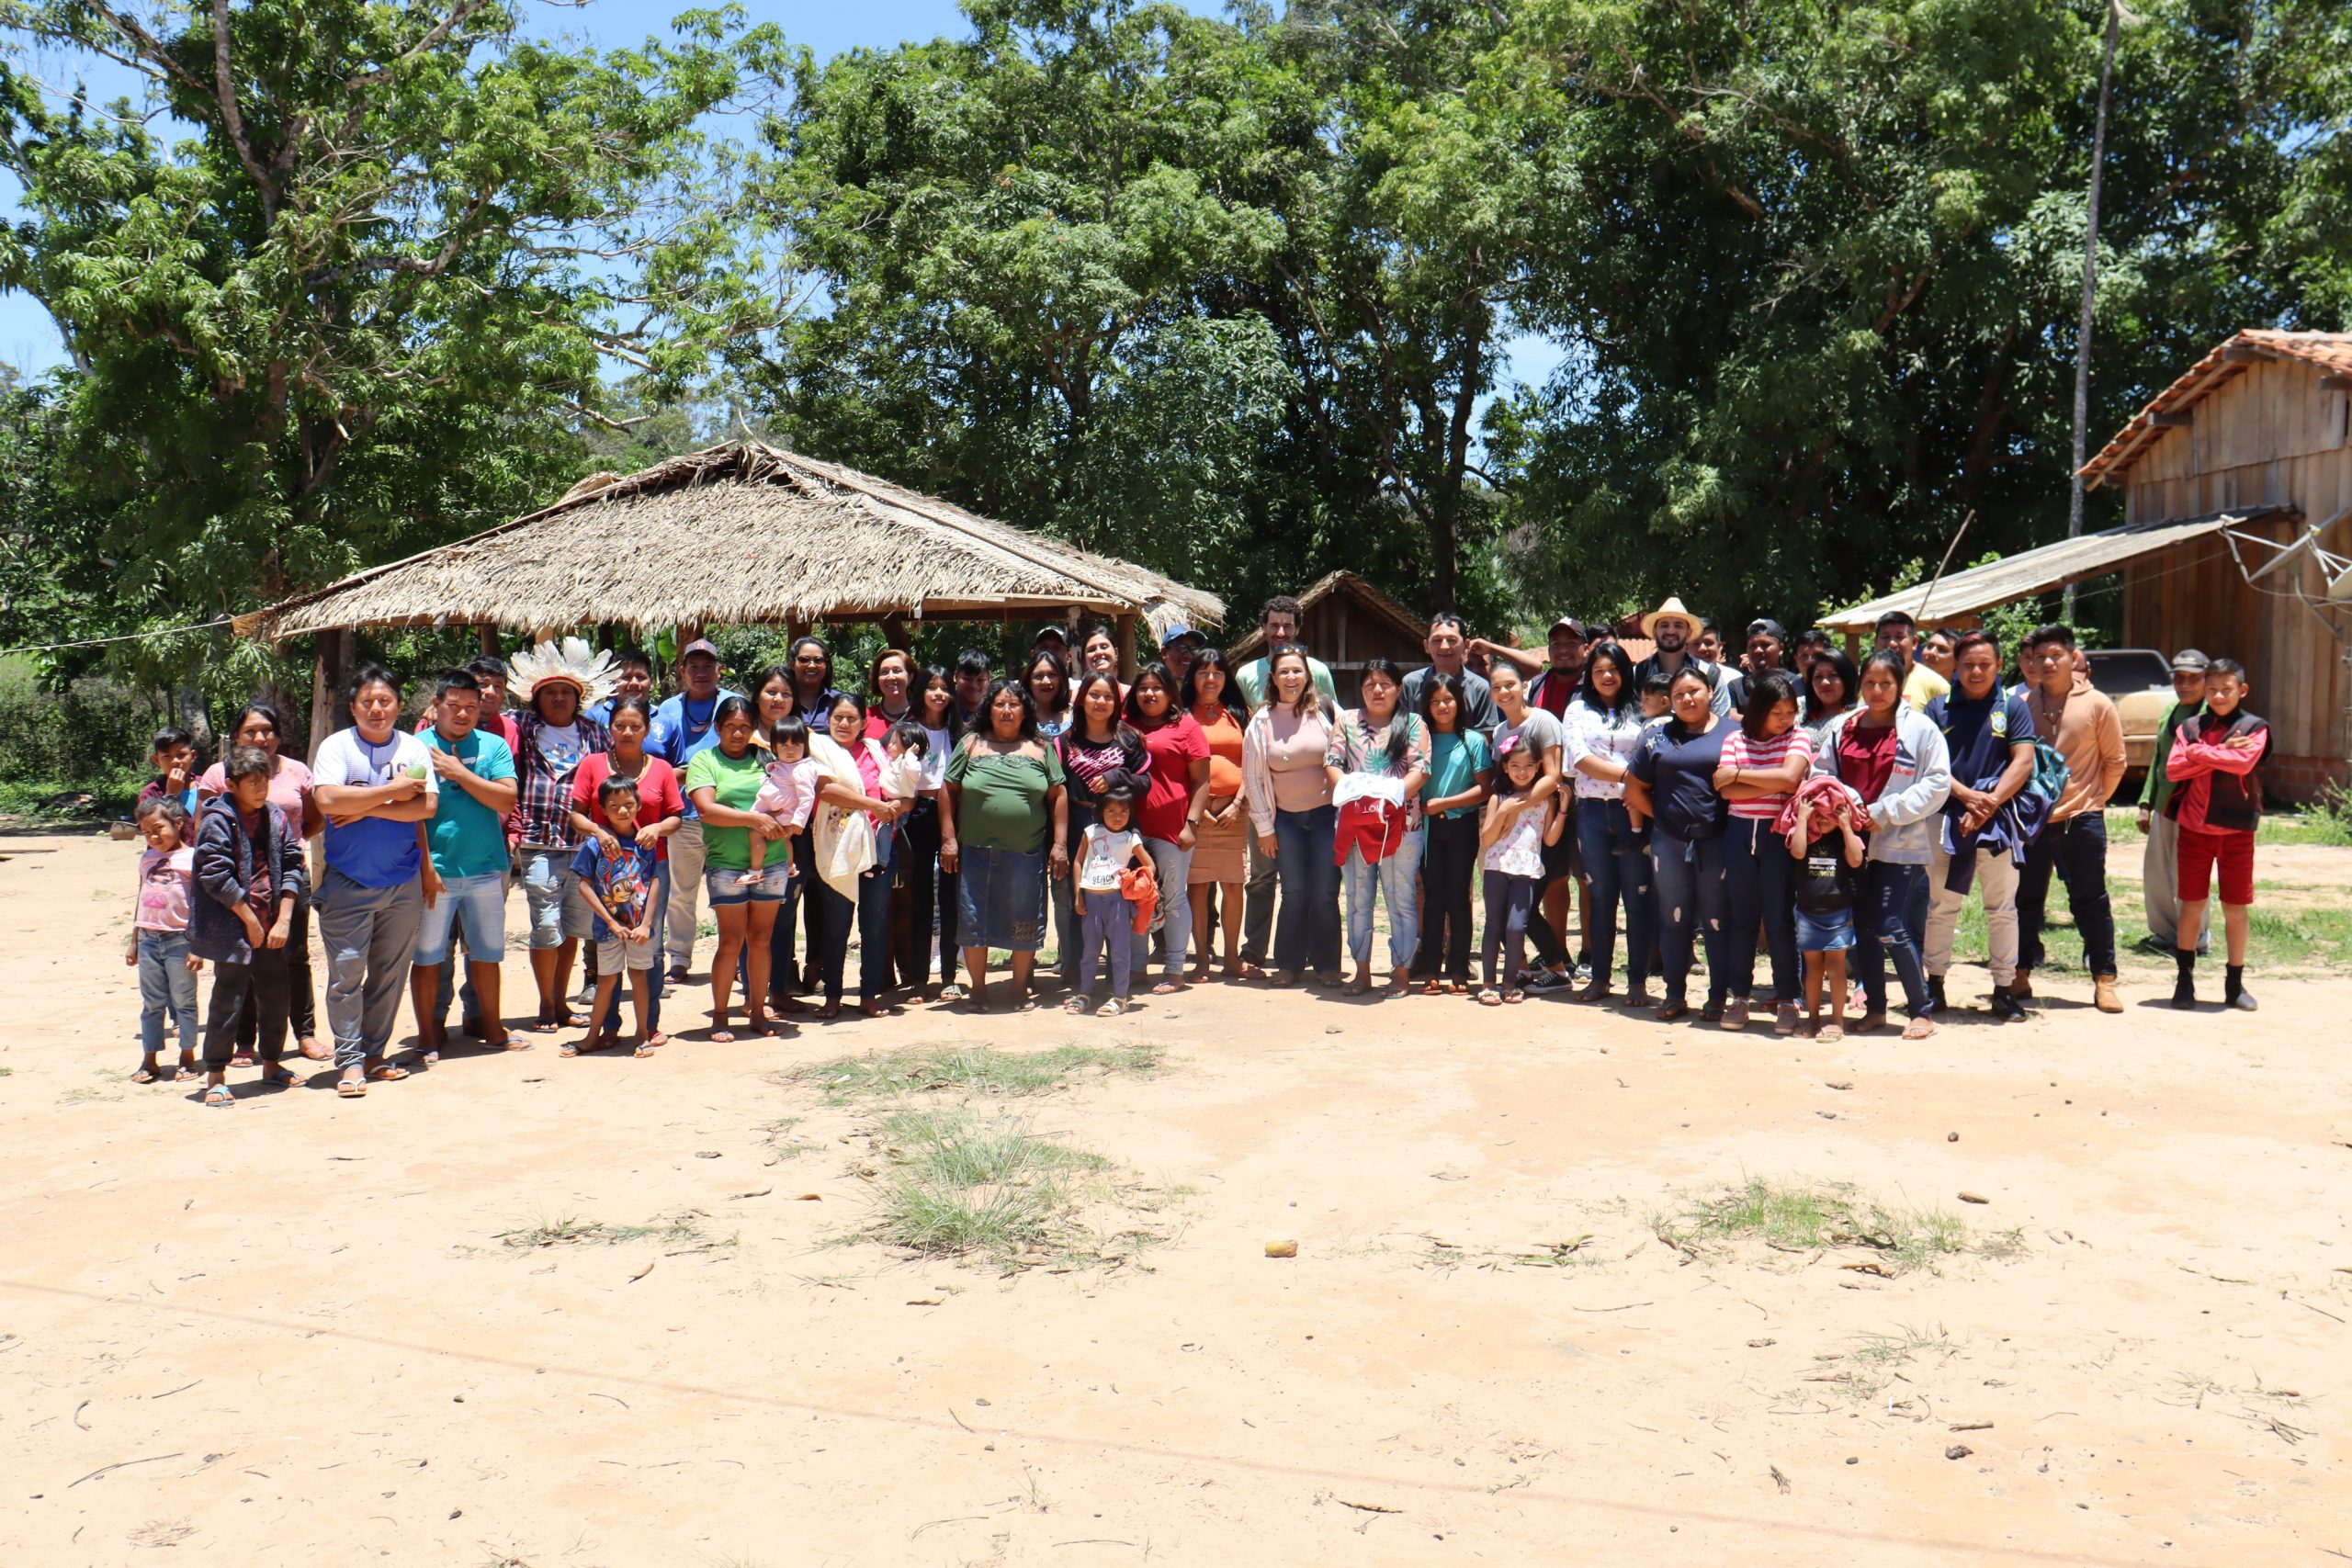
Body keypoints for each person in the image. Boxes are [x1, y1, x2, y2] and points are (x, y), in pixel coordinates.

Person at [1808, 652, 1951, 1039]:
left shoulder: (1921, 729)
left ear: (1900, 686)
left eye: (1886, 683)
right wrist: (1843, 810)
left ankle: (1921, 1010)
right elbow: (1822, 774)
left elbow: (1937, 784)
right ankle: (1875, 1010)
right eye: (1869, 683)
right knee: (1864, 928)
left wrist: (1886, 812)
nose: (1877, 691)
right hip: (1850, 842)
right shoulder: (1842, 727)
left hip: (1897, 840)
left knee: (1890, 925)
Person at [310, 666, 436, 1096]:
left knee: (389, 974)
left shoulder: (415, 748)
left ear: (399, 706)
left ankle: (376, 1054)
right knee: (346, 976)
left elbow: (426, 807)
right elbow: (326, 798)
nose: (376, 708)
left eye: (384, 701)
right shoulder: (337, 746)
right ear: (353, 707)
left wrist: (364, 806)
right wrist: (394, 791)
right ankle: (349, 1062)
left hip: (402, 883)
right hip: (347, 881)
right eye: (367, 701)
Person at [195, 701, 326, 1062]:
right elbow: (204, 831)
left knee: (293, 958)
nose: (260, 737)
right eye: (251, 731)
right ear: (236, 737)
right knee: (239, 965)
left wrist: (288, 853)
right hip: (236, 892)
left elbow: (313, 822)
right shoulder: (217, 776)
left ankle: (304, 1034)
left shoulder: (297, 771)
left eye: (267, 730)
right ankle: (243, 1043)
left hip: (286, 884)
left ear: (279, 735)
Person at [2012, 624, 2128, 1013]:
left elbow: (2115, 762)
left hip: (2083, 819)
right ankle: (2020, 973)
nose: (2046, 662)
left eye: (2055, 655)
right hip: (2033, 822)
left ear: (2072, 657)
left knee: (2090, 900)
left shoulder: (2098, 704)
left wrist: (2092, 802)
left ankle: (2105, 979)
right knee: (2026, 900)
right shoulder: (2023, 704)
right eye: (2039, 656)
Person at [1922, 633, 2036, 1020]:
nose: (1975, 671)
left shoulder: (2013, 707)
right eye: (1968, 664)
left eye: (1984, 664)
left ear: (1999, 665)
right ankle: (1933, 986)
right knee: (1941, 906)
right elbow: (1929, 764)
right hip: (1943, 821)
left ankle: (2004, 989)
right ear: (1956, 666)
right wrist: (1968, 797)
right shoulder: (1938, 709)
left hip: (1997, 824)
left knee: (2003, 908)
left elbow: (2023, 761)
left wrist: (1987, 805)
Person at [411, 670, 519, 1062]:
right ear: (436, 705)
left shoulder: (494, 746)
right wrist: (425, 867)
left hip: (487, 867)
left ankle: (492, 1027)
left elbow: (506, 800)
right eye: (453, 706)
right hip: (434, 871)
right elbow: (410, 813)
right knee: (427, 958)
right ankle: (427, 1036)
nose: (462, 714)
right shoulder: (415, 747)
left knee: (488, 954)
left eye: (470, 708)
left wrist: (459, 773)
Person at [189, 747, 307, 1105]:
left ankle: (272, 1065)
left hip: (272, 923)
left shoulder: (275, 817)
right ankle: (216, 1075)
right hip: (233, 925)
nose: (260, 789)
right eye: (251, 783)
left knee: (276, 994)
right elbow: (215, 874)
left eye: (265, 781)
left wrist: (283, 918)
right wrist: (250, 921)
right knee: (229, 997)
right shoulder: (217, 818)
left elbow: (292, 863)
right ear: (231, 785)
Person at [943, 678, 1069, 1010]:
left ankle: (1017, 989)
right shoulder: (971, 744)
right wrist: (948, 839)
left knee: (1024, 920)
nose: (1007, 710)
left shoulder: (1041, 747)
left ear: (1025, 710)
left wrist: (1059, 845)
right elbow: (948, 790)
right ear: (989, 708)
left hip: (1025, 855)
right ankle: (978, 990)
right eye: (1000, 703)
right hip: (974, 852)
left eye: (1014, 704)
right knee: (974, 920)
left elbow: (1058, 795)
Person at [507, 639, 613, 1032]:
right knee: (546, 926)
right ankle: (546, 1003)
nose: (558, 698)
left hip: (582, 844)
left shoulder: (596, 734)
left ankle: (561, 1002)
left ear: (577, 697)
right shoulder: (522, 727)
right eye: (550, 692)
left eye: (565, 692)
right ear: (537, 698)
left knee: (573, 927)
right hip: (539, 842)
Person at [569, 695, 683, 1043]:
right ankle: (609, 1027)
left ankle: (649, 1026)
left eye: (636, 726)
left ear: (647, 729)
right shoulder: (592, 763)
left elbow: (677, 816)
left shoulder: (661, 768)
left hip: (650, 868)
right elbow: (576, 814)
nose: (628, 732)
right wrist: (599, 833)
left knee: (650, 944)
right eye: (621, 725)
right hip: (605, 871)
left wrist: (657, 828)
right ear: (610, 727)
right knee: (610, 944)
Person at [1234, 595, 1338, 971]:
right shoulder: (1257, 713)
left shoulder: (1324, 705)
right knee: (1282, 887)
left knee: (1323, 892)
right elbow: (1255, 772)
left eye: (1297, 672)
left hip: (1325, 814)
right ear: (1272, 679)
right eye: (1283, 673)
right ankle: (1273, 958)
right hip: (1283, 817)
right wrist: (1264, 824)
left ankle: (1324, 963)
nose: (1291, 678)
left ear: (1307, 675)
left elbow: (1345, 744)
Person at [1627, 667, 1734, 1021]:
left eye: (1694, 691)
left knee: (1718, 920)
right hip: (1669, 842)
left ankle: (1718, 996)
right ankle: (1674, 994)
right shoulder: (1658, 737)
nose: (1687, 699)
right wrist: (1662, 818)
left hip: (1718, 841)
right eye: (1679, 695)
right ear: (1669, 702)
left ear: (1709, 691)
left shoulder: (1733, 734)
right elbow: (1634, 787)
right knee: (1674, 918)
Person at [2165, 659, 2267, 1011]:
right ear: (2204, 690)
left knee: (2235, 908)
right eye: (2212, 689)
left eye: (2226, 689)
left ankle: (2234, 985)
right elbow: (2174, 768)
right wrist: (2221, 751)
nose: (2219, 696)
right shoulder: (2191, 725)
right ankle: (2184, 981)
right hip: (2194, 829)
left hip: (2237, 831)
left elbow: (2243, 764)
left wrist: (2200, 754)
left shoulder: (2254, 726)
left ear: (2242, 690)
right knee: (2191, 905)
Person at [1325, 655, 1430, 996]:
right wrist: (1354, 794)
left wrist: (1391, 798)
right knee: (1358, 899)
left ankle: (1400, 971)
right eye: (1370, 684)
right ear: (1361, 690)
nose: (1377, 690)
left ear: (1398, 688)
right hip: (1355, 825)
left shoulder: (1413, 724)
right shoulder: (1345, 722)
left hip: (1402, 826)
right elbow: (1332, 763)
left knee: (1401, 899)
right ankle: (1362, 971)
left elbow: (1421, 769)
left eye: (1385, 683)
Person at [684, 696, 787, 1041]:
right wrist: (754, 818)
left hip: (771, 862)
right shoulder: (704, 760)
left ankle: (758, 1012)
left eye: (745, 727)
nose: (739, 733)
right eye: (731, 727)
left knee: (761, 940)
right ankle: (720, 1016)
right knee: (730, 942)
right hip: (726, 866)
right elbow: (707, 810)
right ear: (718, 729)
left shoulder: (766, 759)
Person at [1714, 671, 1812, 1033]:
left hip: (1777, 836)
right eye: (1778, 712)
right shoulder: (1735, 738)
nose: (1786, 719)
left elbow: (1790, 780)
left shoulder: (1798, 737)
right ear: (1759, 711)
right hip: (1739, 835)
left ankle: (1788, 999)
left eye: (1790, 711)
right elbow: (1727, 794)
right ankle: (1739, 997)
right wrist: (1767, 781)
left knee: (1779, 920)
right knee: (1741, 919)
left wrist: (1742, 773)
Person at [805, 692, 910, 1019]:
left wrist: (897, 807)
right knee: (836, 925)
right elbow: (825, 790)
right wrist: (875, 806)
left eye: (852, 718)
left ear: (863, 722)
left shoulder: (878, 751)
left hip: (878, 849)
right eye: (838, 717)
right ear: (828, 721)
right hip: (836, 848)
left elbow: (904, 789)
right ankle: (833, 997)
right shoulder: (819, 752)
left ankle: (868, 995)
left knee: (875, 925)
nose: (844, 723)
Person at [1564, 641, 1654, 1006]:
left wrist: (1631, 785)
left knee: (1637, 898)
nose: (1606, 675)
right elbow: (1580, 758)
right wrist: (1631, 775)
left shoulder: (1641, 710)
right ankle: (1600, 978)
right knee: (1600, 896)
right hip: (1592, 813)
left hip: (1633, 811)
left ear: (1624, 672)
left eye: (1613, 669)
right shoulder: (1577, 710)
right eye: (1599, 669)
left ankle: (1637, 982)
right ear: (1590, 673)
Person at [650, 638, 743, 981]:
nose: (701, 673)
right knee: (682, 892)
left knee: (732, 892)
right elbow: (655, 767)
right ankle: (679, 957)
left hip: (727, 818)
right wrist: (691, 772)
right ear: (682, 672)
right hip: (683, 818)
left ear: (719, 669)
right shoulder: (666, 711)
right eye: (694, 666)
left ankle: (734, 958)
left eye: (708, 666)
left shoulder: (736, 705)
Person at [1126, 664, 1212, 995]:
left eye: (1157, 688)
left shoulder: (1186, 727)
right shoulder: (1125, 726)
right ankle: (1136, 969)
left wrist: (1192, 824)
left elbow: (1202, 780)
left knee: (1174, 900)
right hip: (1129, 831)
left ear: (1170, 692)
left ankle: (1175, 969)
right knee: (1133, 898)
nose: (1149, 694)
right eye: (1143, 688)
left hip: (1171, 831)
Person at [1487, 661, 1572, 989]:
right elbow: (1501, 783)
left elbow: (1553, 774)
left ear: (1524, 685)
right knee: (1514, 908)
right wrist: (1503, 812)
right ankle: (1521, 969)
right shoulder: (1499, 731)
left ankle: (1558, 968)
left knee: (1526, 907)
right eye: (1496, 687)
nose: (1504, 692)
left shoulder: (1544, 721)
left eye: (1510, 684)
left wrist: (1517, 806)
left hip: (1544, 820)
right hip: (1512, 832)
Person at [568, 775, 663, 1056]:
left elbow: (655, 881)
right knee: (607, 981)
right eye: (615, 805)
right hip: (607, 929)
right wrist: (610, 921)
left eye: (629, 804)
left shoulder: (644, 841)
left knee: (639, 978)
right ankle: (591, 1037)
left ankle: (642, 1035)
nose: (623, 810)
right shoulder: (595, 845)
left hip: (638, 930)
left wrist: (646, 924)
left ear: (639, 804)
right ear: (603, 810)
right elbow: (584, 885)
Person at [1412, 671, 1490, 995]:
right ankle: (1430, 966)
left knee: (1459, 897)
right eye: (1435, 701)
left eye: (1448, 700)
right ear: (1426, 706)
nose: (1442, 706)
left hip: (1461, 827)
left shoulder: (1472, 740)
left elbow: (1484, 789)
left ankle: (1458, 967)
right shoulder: (1421, 738)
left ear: (1459, 702)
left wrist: (1445, 801)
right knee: (1432, 899)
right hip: (1429, 828)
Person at [1181, 648, 1250, 981]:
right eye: (1203, 673)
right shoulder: (1180, 715)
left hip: (1235, 813)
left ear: (1227, 678)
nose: (1211, 679)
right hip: (1196, 815)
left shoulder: (1240, 713)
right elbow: (1178, 766)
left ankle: (1232, 958)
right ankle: (1202, 959)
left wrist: (1237, 803)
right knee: (1198, 887)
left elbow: (1253, 764)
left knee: (1233, 885)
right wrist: (1198, 811)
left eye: (1218, 673)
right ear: (1192, 678)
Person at [2137, 649, 2211, 956]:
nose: (2185, 684)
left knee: (2189, 874)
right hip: (2165, 805)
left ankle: (2196, 939)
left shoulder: (2213, 715)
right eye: (2179, 678)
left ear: (2207, 680)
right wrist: (2145, 801)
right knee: (2157, 871)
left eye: (2193, 678)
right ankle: (2166, 934)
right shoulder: (2171, 710)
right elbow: (2158, 760)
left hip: (2195, 808)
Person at [1477, 737, 1560, 1005]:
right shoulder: (1497, 798)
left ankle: (1510, 983)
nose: (1522, 771)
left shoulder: (1545, 801)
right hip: (1497, 869)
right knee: (1494, 925)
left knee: (1517, 927)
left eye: (1528, 766)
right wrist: (1503, 811)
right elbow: (1488, 839)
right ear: (1505, 767)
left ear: (1538, 767)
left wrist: (1564, 810)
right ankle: (1489, 984)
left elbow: (1549, 840)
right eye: (1515, 765)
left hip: (1526, 871)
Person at [128, 795, 201, 1084]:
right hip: (148, 938)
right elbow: (141, 897)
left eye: (158, 828)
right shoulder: (147, 858)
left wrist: (197, 945)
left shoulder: (193, 857)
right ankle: (150, 1058)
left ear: (178, 824)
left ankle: (187, 1055)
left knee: (184, 1000)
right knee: (152, 1002)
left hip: (180, 940)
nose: (154, 836)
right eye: (146, 832)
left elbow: (200, 904)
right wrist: (134, 939)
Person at [1787, 781, 1865, 1042]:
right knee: (1812, 969)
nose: (1822, 821)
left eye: (1828, 815)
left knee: (1836, 967)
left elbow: (1855, 860)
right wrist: (1801, 819)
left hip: (1838, 913)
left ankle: (1837, 1020)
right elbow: (1797, 852)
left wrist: (1844, 826)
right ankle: (1813, 1018)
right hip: (1809, 913)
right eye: (1816, 815)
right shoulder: (1805, 837)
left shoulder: (1843, 838)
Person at [901, 666, 962, 996]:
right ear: (921, 691)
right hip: (917, 815)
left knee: (951, 899)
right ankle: (919, 980)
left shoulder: (959, 731)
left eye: (945, 688)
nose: (939, 693)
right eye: (932, 687)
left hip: (953, 816)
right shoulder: (907, 730)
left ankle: (950, 976)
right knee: (920, 899)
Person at [1069, 776, 1150, 1016]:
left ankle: (1121, 998)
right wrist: (1078, 893)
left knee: (1120, 952)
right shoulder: (1091, 832)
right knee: (1090, 952)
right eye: (1111, 810)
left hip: (1117, 902)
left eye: (1123, 811)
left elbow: (1150, 866)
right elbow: (1077, 862)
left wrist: (1135, 880)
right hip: (1091, 901)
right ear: (1101, 811)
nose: (1117, 816)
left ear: (1130, 813)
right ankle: (1085, 994)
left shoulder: (1130, 838)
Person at [1632, 597, 1734, 716]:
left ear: (1688, 632)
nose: (1670, 631)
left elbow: (1722, 722)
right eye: (1664, 625)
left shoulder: (1709, 674)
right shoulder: (1637, 674)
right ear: (1655, 631)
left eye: (1678, 626)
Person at [1472, 615, 1588, 719]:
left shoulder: (1595, 686)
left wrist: (1491, 648)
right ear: (1549, 650)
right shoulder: (1537, 685)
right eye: (1556, 644)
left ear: (1586, 650)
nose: (1563, 650)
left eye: (1571, 643)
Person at [1233, 595, 1338, 708]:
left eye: (1287, 626)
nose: (1281, 633)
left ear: (1297, 629)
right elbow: (1242, 720)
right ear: (1264, 627)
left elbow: (1333, 718)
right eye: (1274, 626)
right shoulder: (1245, 675)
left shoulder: (1319, 671)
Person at [1399, 613, 1497, 734]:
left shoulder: (1480, 688)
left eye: (1451, 640)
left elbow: (1485, 738)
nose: (1444, 646)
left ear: (1466, 645)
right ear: (1426, 646)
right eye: (1437, 640)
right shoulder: (1411, 684)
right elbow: (1400, 730)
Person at [1875, 611, 1950, 712]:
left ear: (1914, 642)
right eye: (1885, 637)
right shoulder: (1864, 682)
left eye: (1899, 637)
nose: (1892, 643)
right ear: (1875, 642)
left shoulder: (1937, 686)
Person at [135, 726, 201, 819]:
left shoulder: (206, 786)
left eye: (181, 754)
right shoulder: (151, 793)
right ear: (157, 760)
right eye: (167, 756)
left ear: (193, 756)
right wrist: (171, 794)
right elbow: (152, 828)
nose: (175, 761)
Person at [786, 635, 851, 726]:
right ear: (792, 664)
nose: (812, 665)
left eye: (818, 660)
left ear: (826, 665)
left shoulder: (840, 701)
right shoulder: (782, 700)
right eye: (804, 660)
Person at [585, 647, 654, 728]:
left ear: (651, 681)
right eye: (627, 677)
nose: (634, 683)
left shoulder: (667, 722)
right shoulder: (594, 717)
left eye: (641, 677)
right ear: (613, 680)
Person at [1801, 648, 1859, 742]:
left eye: (1832, 675)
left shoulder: (1858, 716)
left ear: (1847, 679)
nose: (1824, 682)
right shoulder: (1799, 714)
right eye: (1818, 676)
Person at [1025, 649, 1074, 739]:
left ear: (1061, 679)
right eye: (1038, 676)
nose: (1046, 682)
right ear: (1029, 682)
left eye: (1052, 675)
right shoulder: (1021, 719)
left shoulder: (1077, 716)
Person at [952, 649, 994, 730]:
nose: (974, 685)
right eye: (967, 679)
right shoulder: (944, 710)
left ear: (989, 679)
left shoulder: (995, 711)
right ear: (956, 676)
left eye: (980, 680)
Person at [1159, 624, 1207, 692]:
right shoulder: (1151, 691)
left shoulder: (1201, 693)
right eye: (1182, 648)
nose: (1189, 655)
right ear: (1164, 653)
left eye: (1193, 649)